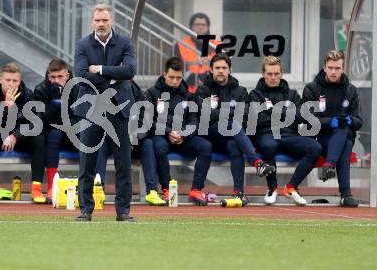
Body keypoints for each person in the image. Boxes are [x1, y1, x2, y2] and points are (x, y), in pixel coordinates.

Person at [74, 4, 136, 222]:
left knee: (123, 162)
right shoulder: (82, 44)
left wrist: (99, 69)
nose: (101, 24)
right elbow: (81, 74)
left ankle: (123, 211)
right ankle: (85, 210)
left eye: (105, 20)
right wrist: (114, 75)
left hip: (118, 108)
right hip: (91, 108)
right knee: (87, 161)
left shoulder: (125, 42)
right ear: (92, 22)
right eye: (97, 20)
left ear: (112, 22)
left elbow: (130, 71)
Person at [195, 53, 275, 206]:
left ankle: (238, 193)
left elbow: (245, 117)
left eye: (224, 68)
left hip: (232, 136)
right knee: (231, 124)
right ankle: (257, 162)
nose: (220, 71)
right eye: (217, 68)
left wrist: (223, 114)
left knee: (234, 145)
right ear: (211, 70)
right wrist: (231, 112)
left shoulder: (241, 91)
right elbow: (206, 116)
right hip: (210, 135)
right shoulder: (203, 91)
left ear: (230, 70)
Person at [247, 56, 322, 206]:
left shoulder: (292, 94)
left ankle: (291, 187)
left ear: (281, 74)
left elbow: (302, 116)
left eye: (276, 74)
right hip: (266, 135)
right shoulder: (255, 95)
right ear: (263, 74)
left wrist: (273, 111)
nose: (273, 78)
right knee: (269, 146)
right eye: (269, 74)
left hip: (290, 136)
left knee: (315, 147)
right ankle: (272, 188)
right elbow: (257, 119)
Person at [0, 62, 46, 204]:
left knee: (39, 139)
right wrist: (6, 107)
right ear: (1, 80)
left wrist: (15, 135)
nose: (11, 84)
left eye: (15, 81)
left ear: (20, 82)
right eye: (8, 80)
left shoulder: (27, 95)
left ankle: (36, 188)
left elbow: (36, 123)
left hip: (17, 137)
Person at [147, 57, 213, 206]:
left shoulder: (189, 96)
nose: (175, 81)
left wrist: (184, 135)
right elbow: (147, 120)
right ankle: (166, 189)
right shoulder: (152, 93)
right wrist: (168, 131)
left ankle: (196, 190)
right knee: (158, 147)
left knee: (206, 147)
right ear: (164, 74)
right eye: (171, 77)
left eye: (178, 77)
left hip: (183, 139)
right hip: (162, 136)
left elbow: (194, 121)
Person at [302, 50, 362, 207]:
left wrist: (348, 120)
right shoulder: (312, 89)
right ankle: (345, 193)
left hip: (341, 138)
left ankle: (329, 166)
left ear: (343, 68)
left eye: (337, 68)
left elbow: (359, 121)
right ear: (324, 67)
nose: (333, 72)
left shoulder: (351, 90)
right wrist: (332, 122)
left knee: (344, 133)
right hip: (319, 139)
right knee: (345, 141)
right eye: (330, 68)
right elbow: (307, 119)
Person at [96, 80, 166, 206]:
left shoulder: (140, 94)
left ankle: (152, 191)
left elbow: (146, 121)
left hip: (132, 142)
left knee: (148, 144)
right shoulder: (104, 90)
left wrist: (134, 138)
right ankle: (98, 189)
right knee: (100, 143)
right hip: (111, 140)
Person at [34, 57, 80, 204]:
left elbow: (81, 115)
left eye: (60, 76)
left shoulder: (78, 87)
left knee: (88, 135)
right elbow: (43, 120)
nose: (56, 80)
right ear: (48, 76)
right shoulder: (41, 90)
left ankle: (89, 186)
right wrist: (55, 100)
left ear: (67, 75)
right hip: (54, 132)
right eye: (53, 77)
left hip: (73, 131)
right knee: (53, 135)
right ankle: (51, 187)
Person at [174, 12, 219, 94]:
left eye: (203, 25)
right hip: (188, 90)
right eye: (197, 24)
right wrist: (195, 79)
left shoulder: (216, 45)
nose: (201, 27)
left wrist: (205, 79)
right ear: (191, 27)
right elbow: (177, 67)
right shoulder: (181, 44)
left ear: (208, 27)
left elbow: (222, 67)